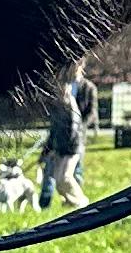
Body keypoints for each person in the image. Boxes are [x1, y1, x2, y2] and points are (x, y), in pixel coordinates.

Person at [39, 68, 92, 209]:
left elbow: (74, 129)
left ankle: (82, 202)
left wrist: (66, 147)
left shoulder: (71, 107)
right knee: (58, 179)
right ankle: (70, 202)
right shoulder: (58, 108)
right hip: (61, 148)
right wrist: (49, 149)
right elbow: (54, 131)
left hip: (72, 148)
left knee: (66, 177)